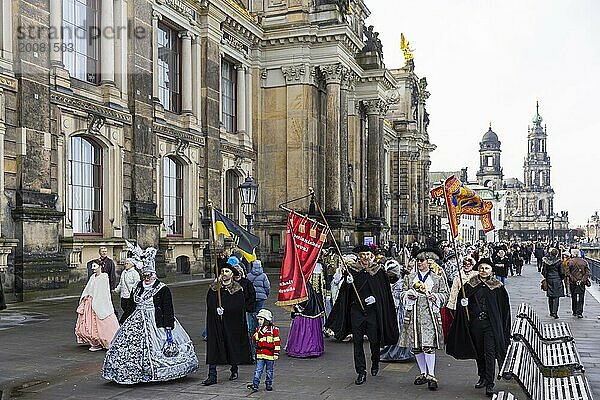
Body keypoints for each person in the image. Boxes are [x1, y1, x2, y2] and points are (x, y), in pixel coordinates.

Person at [102, 249, 198, 384]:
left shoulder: (162, 288)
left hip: (156, 320)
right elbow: (131, 305)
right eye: (144, 275)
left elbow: (167, 308)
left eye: (149, 275)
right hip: (137, 319)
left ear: (154, 274)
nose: (146, 277)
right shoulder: (138, 286)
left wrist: (168, 324)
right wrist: (124, 319)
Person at [326, 245, 399, 385]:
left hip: (372, 312)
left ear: (371, 255)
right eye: (362, 255)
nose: (364, 257)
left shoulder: (378, 271)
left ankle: (375, 361)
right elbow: (344, 295)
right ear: (358, 256)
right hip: (356, 312)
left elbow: (385, 293)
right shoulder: (352, 271)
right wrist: (347, 284)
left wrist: (376, 299)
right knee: (357, 342)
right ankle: (361, 372)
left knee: (374, 340)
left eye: (367, 254)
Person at [446, 258, 511, 397]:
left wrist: (502, 325)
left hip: (490, 325)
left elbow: (504, 308)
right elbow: (461, 299)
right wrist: (463, 303)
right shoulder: (470, 284)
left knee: (489, 353)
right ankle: (482, 376)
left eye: (487, 268)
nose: (483, 271)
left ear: (491, 270)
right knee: (479, 352)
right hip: (475, 324)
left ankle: (489, 383)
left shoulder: (497, 287)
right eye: (481, 268)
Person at [399, 249, 449, 391]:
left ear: (429, 262)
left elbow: (445, 294)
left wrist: (436, 297)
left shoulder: (437, 278)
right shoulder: (410, 278)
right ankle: (423, 373)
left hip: (429, 316)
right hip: (413, 315)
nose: (419, 263)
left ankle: (431, 375)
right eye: (418, 260)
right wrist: (409, 295)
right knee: (416, 346)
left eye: (422, 260)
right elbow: (402, 293)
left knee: (428, 346)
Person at [202, 263, 252, 385]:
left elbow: (239, 306)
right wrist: (216, 309)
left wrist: (227, 310)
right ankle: (212, 375)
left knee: (231, 346)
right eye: (222, 271)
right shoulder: (215, 288)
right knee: (213, 347)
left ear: (232, 274)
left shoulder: (237, 289)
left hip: (231, 324)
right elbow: (209, 302)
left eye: (227, 271)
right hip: (216, 324)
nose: (224, 273)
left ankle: (234, 369)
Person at [75, 263, 120, 351]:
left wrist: (99, 301)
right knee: (89, 323)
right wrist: (86, 297)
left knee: (105, 322)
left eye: (95, 267)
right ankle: (95, 342)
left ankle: (110, 340)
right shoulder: (92, 277)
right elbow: (88, 288)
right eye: (92, 267)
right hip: (90, 302)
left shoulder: (104, 277)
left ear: (100, 267)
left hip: (100, 302)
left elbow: (103, 292)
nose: (93, 269)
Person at [379, 258, 413, 362]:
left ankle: (401, 353)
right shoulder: (384, 282)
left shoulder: (403, 282)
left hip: (400, 311)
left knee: (401, 330)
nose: (390, 275)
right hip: (389, 310)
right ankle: (388, 352)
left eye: (392, 273)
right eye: (388, 273)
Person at [285, 282, 325, 358]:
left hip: (306, 312)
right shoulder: (303, 283)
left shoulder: (303, 284)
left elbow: (305, 299)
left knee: (306, 330)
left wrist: (297, 306)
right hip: (309, 311)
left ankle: (307, 349)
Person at [247, 309, 280, 393]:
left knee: (269, 371)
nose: (259, 321)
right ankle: (255, 384)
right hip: (260, 354)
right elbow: (255, 338)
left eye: (261, 319)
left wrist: (276, 353)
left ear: (266, 320)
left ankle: (268, 384)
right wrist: (261, 332)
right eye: (259, 319)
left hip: (270, 355)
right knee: (258, 370)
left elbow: (277, 342)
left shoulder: (273, 330)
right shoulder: (259, 329)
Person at [246, 259, 270, 344]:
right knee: (259, 314)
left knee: (251, 314)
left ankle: (252, 330)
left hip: (251, 298)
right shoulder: (263, 276)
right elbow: (267, 287)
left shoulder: (248, 276)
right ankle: (258, 329)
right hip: (261, 297)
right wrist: (265, 295)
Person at [567, 249, 591, 318]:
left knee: (573, 297)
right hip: (582, 282)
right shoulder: (584, 262)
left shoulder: (570, 262)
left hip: (573, 282)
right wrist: (582, 280)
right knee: (581, 297)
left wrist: (574, 279)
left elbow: (568, 273)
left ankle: (574, 311)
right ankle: (579, 312)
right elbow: (587, 272)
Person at [541, 248, 565, 319]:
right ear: (557, 254)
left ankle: (551, 312)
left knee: (550, 295)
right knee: (556, 296)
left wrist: (546, 276)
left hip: (549, 279)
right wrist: (561, 278)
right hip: (557, 279)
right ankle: (555, 312)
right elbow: (562, 272)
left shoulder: (546, 261)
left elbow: (544, 271)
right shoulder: (559, 261)